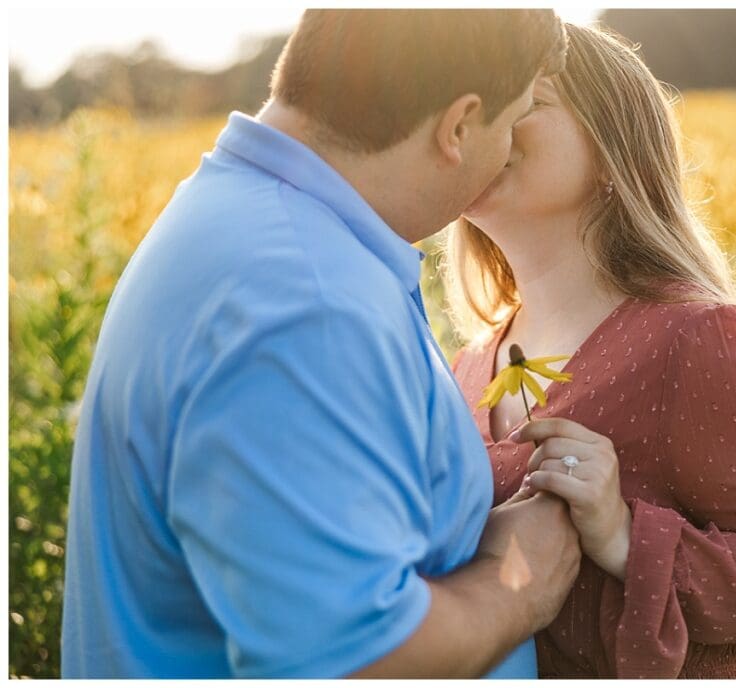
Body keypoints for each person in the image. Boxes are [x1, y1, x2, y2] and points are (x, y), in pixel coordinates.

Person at [60, 10, 581, 679]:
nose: (509, 147)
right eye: (512, 121)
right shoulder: (304, 306)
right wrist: (521, 584)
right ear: (458, 125)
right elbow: (352, 662)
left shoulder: (248, 218)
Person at [447, 23, 736, 679]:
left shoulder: (696, 339)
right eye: (476, 104)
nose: (488, 124)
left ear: (613, 149)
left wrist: (623, 536)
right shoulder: (466, 366)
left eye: (527, 102)